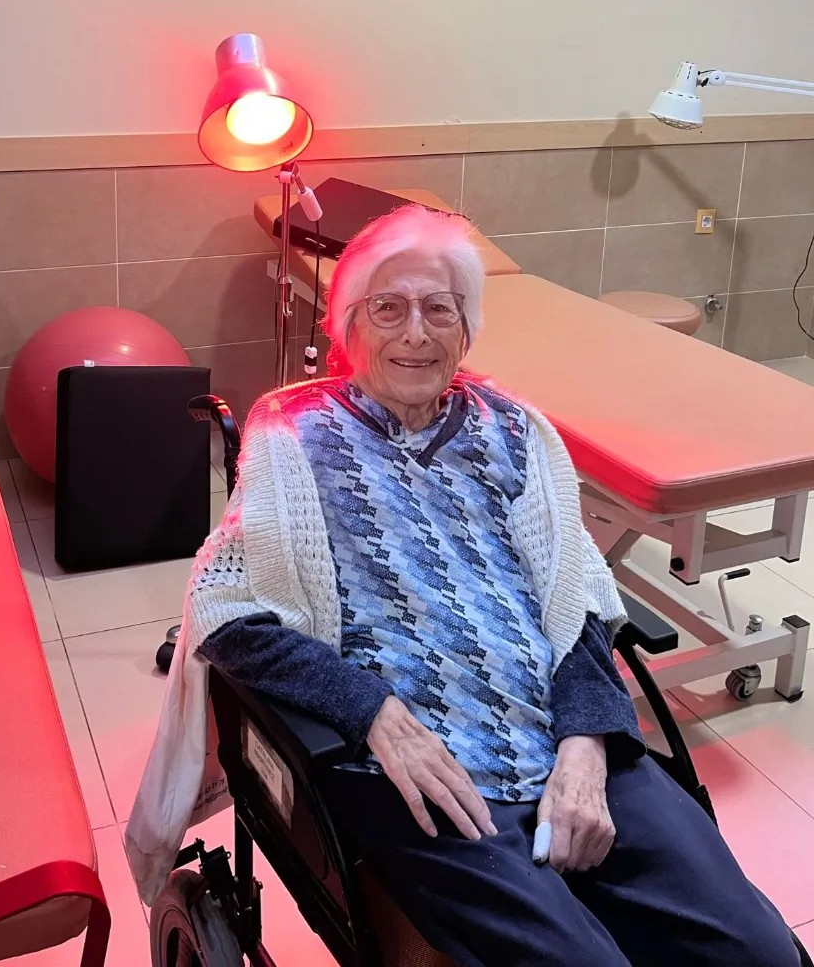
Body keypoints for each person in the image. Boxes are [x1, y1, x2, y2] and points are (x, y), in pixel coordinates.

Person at [126, 204, 799, 966]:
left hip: (557, 727)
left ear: (467, 330)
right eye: (388, 308)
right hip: (412, 768)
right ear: (348, 328)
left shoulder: (515, 428)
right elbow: (227, 611)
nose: (416, 333)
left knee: (761, 954)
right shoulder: (292, 434)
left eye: (439, 309)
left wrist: (585, 744)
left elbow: (576, 599)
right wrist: (374, 713)